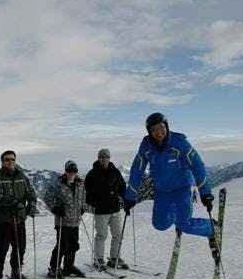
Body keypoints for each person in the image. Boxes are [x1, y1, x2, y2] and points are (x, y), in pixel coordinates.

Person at [122, 113, 217, 258]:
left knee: (185, 225)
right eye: (154, 129)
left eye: (161, 127)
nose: (159, 132)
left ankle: (212, 228)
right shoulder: (146, 147)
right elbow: (136, 170)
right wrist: (130, 196)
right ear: (149, 132)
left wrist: (205, 192)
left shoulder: (180, 143)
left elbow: (197, 165)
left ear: (167, 126)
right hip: (161, 192)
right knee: (159, 224)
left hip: (182, 189)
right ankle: (176, 216)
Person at [0, 150, 38, 279]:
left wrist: (32, 202)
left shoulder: (21, 176)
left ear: (15, 160)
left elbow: (30, 191)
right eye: (7, 160)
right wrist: (15, 203)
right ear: (2, 162)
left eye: (12, 159)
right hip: (4, 219)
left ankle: (16, 273)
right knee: (2, 248)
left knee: (20, 247)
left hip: (19, 218)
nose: (10, 162)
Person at [84, 148, 128, 270]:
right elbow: (87, 191)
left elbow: (122, 186)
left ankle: (115, 258)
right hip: (101, 211)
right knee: (101, 235)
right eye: (102, 157)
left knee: (118, 235)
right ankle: (99, 259)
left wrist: (126, 199)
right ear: (98, 158)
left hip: (115, 209)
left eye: (107, 157)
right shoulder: (92, 174)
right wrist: (93, 202)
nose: (105, 159)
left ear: (109, 158)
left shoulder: (115, 172)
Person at [44, 160, 87, 279]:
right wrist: (55, 208)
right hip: (62, 221)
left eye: (74, 170)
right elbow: (47, 197)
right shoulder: (58, 184)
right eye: (69, 170)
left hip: (75, 220)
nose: (72, 173)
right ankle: (54, 268)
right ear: (65, 171)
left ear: (77, 171)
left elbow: (84, 197)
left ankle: (68, 266)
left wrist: (83, 207)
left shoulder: (80, 184)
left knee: (73, 245)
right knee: (62, 245)